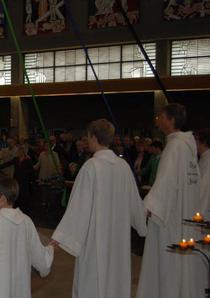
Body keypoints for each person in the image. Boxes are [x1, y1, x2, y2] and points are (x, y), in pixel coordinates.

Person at [51, 119, 147, 298]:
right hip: (118, 238)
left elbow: (79, 207)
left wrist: (61, 236)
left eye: (87, 136)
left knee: (93, 280)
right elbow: (135, 202)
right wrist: (142, 222)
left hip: (95, 239)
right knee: (115, 280)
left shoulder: (91, 167)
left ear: (93, 137)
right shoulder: (123, 167)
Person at [137, 104, 204, 298]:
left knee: (167, 263)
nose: (158, 120)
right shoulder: (189, 148)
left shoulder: (174, 147)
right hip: (184, 213)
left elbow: (165, 183)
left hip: (170, 218)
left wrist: (147, 207)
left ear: (171, 120)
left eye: (161, 117)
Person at [0, 147, 34, 214]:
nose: (17, 152)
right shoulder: (16, 159)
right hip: (16, 180)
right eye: (18, 151)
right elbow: (7, 164)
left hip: (24, 181)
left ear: (23, 152)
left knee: (24, 196)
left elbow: (31, 171)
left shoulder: (28, 160)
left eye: (19, 151)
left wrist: (30, 179)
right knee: (16, 195)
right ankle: (15, 211)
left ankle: (24, 212)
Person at [196, 129, 210, 218]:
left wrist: (199, 215)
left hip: (204, 212)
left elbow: (205, 189)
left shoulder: (208, 160)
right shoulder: (203, 158)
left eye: (196, 140)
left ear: (203, 142)